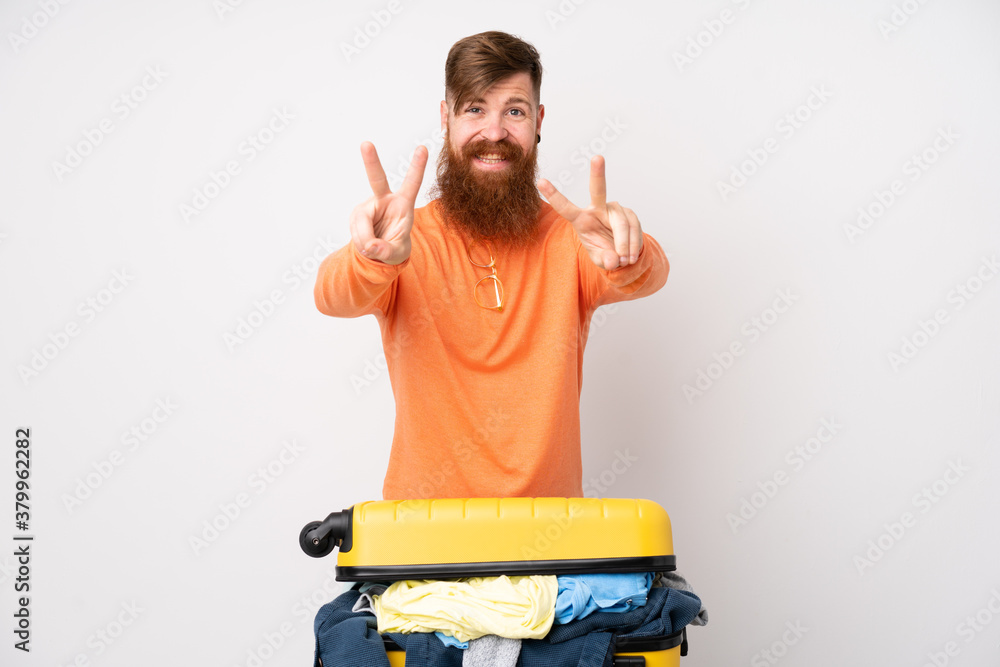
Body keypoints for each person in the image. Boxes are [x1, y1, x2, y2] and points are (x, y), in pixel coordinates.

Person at [314, 30, 669, 500]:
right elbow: (331, 296)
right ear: (447, 118)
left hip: (550, 541)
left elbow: (652, 275)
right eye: (475, 109)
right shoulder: (402, 241)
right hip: (425, 541)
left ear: (538, 120)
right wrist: (370, 259)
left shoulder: (573, 238)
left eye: (515, 111)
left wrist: (629, 252)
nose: (495, 132)